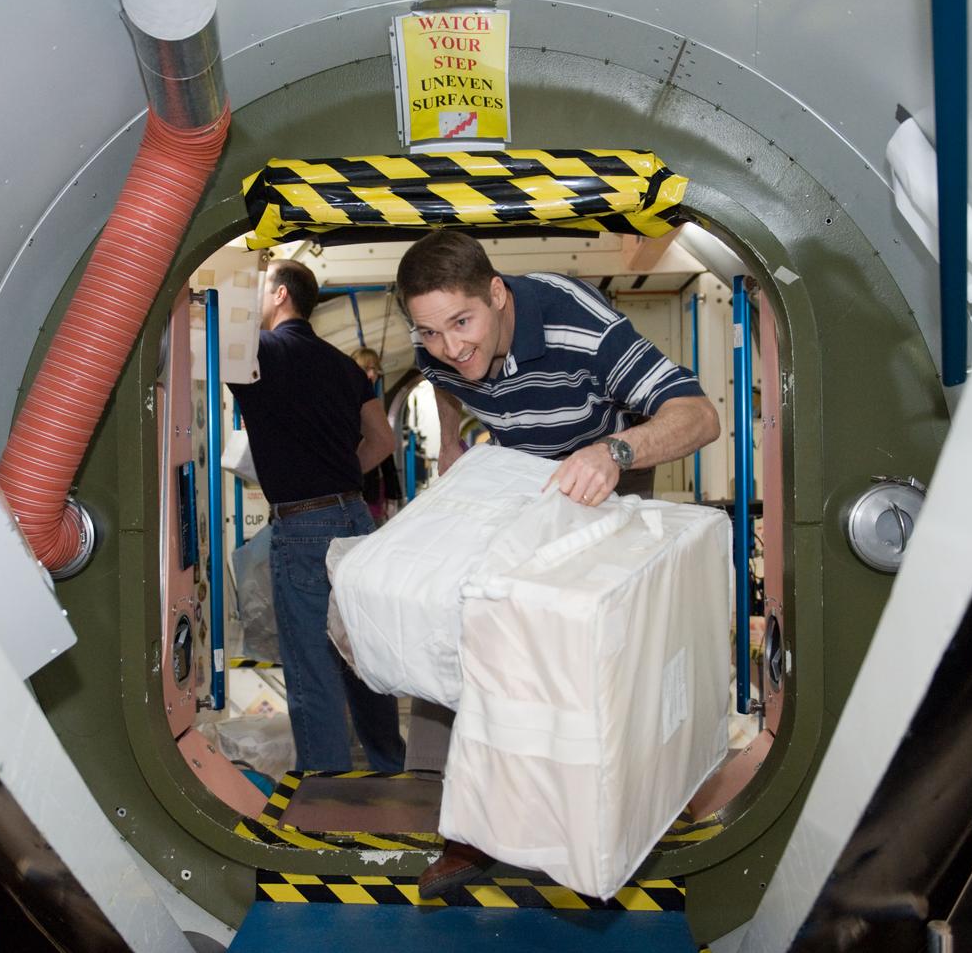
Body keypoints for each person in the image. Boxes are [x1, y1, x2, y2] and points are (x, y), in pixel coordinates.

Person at [394, 230, 721, 897]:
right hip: (519, 476)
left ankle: (611, 813)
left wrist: (616, 454)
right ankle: (466, 830)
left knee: (588, 647)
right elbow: (445, 381)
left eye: (464, 323)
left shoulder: (582, 327)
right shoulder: (432, 342)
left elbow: (700, 415)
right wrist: (454, 442)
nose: (452, 347)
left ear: (497, 292)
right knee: (463, 616)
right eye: (432, 332)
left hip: (607, 468)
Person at [228, 259, 405, 774]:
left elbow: (207, 348)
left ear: (280, 295)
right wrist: (335, 474)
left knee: (313, 673)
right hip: (354, 519)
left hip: (304, 527)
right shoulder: (345, 365)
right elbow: (383, 440)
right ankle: (389, 768)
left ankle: (326, 792)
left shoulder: (258, 354)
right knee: (361, 656)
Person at [349, 347, 403, 524]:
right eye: (366, 369)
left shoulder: (374, 404)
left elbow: (385, 452)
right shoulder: (344, 404)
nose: (372, 375)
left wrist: (392, 493)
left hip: (372, 490)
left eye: (375, 369)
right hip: (351, 488)